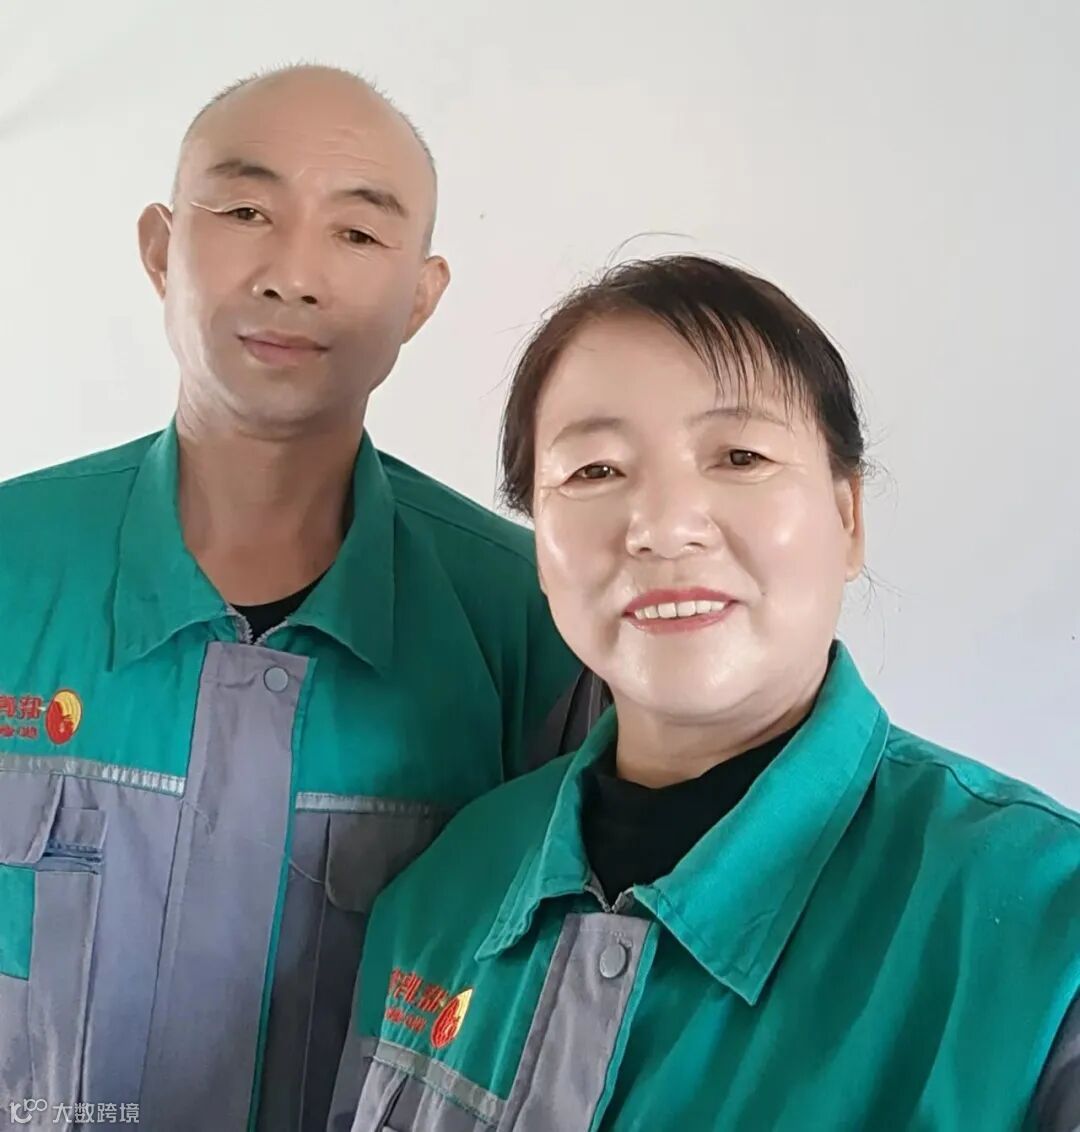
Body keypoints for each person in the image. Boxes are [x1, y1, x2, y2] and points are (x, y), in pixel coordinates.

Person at [335, 255, 1080, 1131]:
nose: (662, 527)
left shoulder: (1047, 926)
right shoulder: (443, 890)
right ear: (539, 545)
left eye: (740, 456)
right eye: (595, 471)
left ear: (847, 518)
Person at [0, 65, 595, 1132]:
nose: (292, 276)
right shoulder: (14, 559)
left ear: (421, 297)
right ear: (160, 249)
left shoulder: (533, 624)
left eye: (357, 234)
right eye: (244, 212)